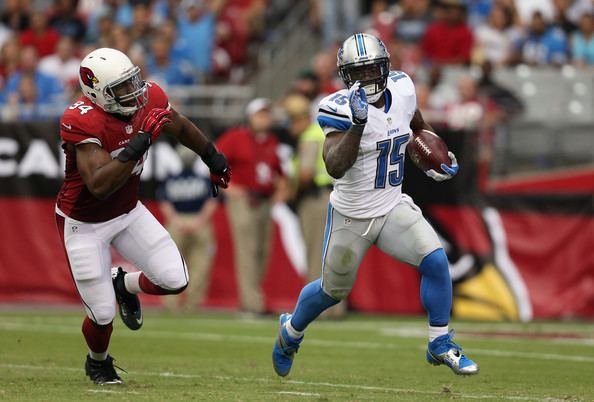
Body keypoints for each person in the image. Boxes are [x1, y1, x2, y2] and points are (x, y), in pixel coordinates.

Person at [272, 33, 479, 377]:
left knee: (436, 260)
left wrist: (433, 153)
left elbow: (415, 122)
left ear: (385, 68)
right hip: (351, 215)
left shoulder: (402, 88)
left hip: (392, 205)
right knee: (330, 291)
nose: (367, 78)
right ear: (346, 76)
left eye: (372, 70)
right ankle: (291, 331)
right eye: (359, 71)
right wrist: (357, 125)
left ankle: (439, 343)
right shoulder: (336, 107)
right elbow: (335, 165)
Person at [55, 47, 231, 385]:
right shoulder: (81, 119)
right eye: (121, 88)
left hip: (128, 212)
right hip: (84, 223)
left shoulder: (149, 97)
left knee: (174, 279)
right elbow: (99, 185)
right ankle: (98, 362)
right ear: (97, 93)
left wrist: (213, 157)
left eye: (132, 81)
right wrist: (141, 139)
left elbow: (178, 126)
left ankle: (123, 282)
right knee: (103, 314)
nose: (133, 92)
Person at [216, 98, 287, 316]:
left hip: (265, 200)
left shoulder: (271, 141)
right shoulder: (236, 137)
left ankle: (254, 296)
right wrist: (227, 187)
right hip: (243, 199)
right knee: (247, 250)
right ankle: (252, 302)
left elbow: (277, 171)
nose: (264, 118)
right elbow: (214, 160)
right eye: (260, 114)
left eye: (266, 114)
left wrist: (281, 190)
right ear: (250, 117)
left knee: (262, 251)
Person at [283, 93, 345, 318]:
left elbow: (306, 174)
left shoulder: (309, 136)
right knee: (332, 254)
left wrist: (292, 193)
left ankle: (316, 309)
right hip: (333, 197)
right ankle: (336, 308)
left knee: (315, 254)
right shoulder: (323, 132)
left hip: (316, 199)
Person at [159, 146, 217, 312]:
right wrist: (199, 221)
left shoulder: (171, 180)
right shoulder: (203, 179)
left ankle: (171, 303)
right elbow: (211, 201)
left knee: (171, 263)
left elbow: (164, 203)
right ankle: (192, 303)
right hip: (199, 221)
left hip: (177, 221)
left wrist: (176, 221)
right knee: (201, 264)